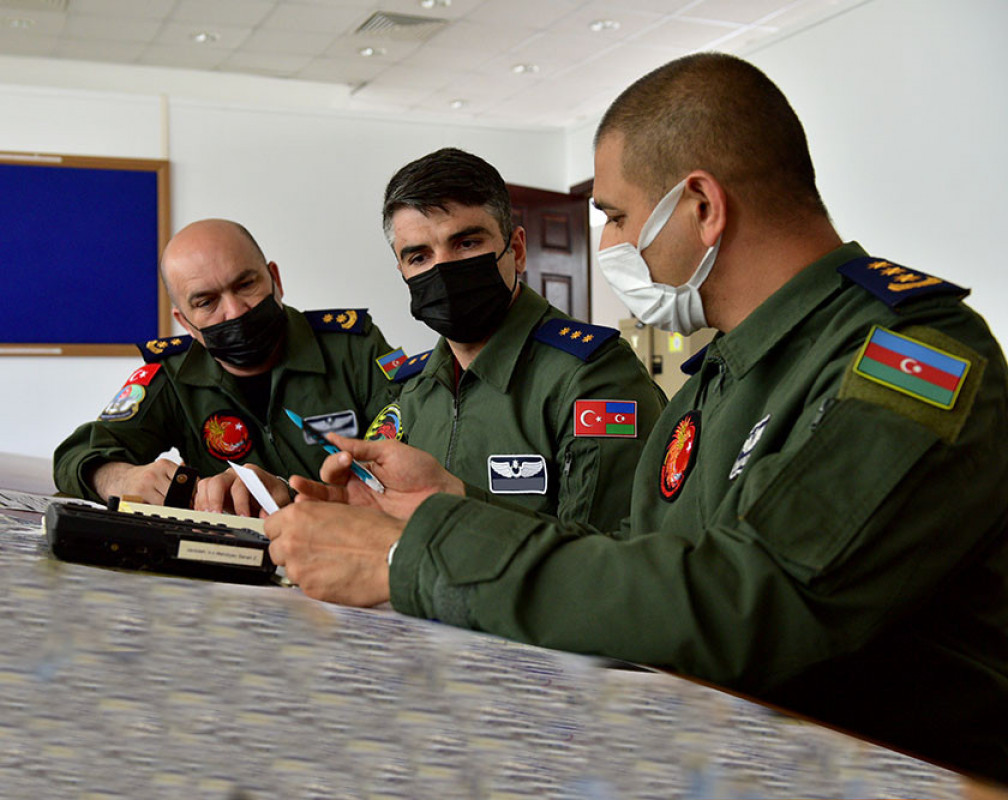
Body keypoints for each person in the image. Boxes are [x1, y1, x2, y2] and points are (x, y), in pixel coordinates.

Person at [264, 54, 1008, 781]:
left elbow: (750, 602)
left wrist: (413, 555)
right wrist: (449, 506)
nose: (609, 246)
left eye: (616, 217)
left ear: (702, 206)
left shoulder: (911, 357)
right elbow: (637, 563)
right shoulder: (726, 372)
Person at [201, 148, 665, 528]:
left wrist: (457, 504)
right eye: (419, 256)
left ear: (517, 250)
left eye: (466, 243)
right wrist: (287, 496)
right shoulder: (414, 389)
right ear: (402, 270)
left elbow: (611, 559)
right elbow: (382, 517)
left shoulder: (593, 378)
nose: (442, 269)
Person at [53, 218, 398, 508]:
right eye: (206, 302)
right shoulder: (172, 374)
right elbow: (77, 454)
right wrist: (121, 478)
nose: (234, 311)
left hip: (353, 541)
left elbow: (412, 459)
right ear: (186, 323)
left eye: (245, 284)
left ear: (275, 280)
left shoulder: (355, 349)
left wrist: (291, 497)